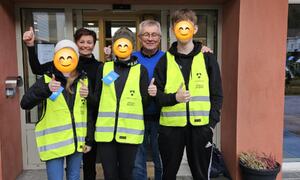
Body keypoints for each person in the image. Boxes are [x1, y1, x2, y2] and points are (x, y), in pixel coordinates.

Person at [23, 27, 101, 180]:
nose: (66, 59)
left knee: (75, 176)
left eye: (70, 55)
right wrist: (46, 89)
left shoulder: (84, 79)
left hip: (77, 141)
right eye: (62, 55)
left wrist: (89, 139)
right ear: (56, 57)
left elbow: (87, 113)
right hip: (55, 144)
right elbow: (25, 103)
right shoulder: (47, 78)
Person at [154, 9, 223, 180]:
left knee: (201, 175)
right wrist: (173, 98)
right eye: (179, 27)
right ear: (173, 30)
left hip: (200, 128)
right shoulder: (164, 60)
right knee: (168, 174)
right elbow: (158, 97)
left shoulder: (207, 58)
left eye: (187, 27)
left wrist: (211, 124)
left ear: (195, 29)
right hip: (170, 128)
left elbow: (217, 94)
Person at [93, 27, 152, 180]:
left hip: (129, 132)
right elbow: (98, 99)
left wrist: (151, 94)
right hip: (106, 134)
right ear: (113, 46)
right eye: (118, 44)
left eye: (126, 44)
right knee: (110, 175)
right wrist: (86, 96)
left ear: (132, 46)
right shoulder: (104, 68)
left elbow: (144, 102)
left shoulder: (141, 71)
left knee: (127, 174)